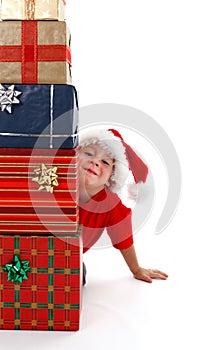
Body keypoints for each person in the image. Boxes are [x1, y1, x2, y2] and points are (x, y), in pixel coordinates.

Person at [78, 128, 168, 284]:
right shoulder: (55, 182)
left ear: (111, 178)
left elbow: (123, 238)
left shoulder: (110, 205)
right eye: (89, 154)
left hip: (70, 256)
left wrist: (136, 269)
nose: (95, 162)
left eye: (105, 162)